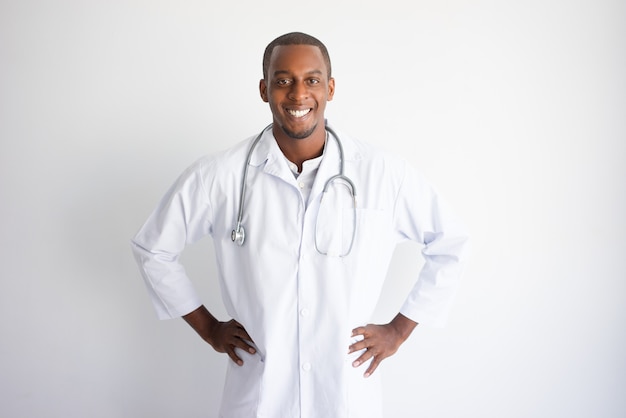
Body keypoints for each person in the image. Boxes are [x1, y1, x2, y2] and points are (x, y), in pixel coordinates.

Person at [131, 32, 469, 418]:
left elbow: (451, 244)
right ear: (264, 89)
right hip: (259, 396)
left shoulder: (383, 173)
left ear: (330, 87)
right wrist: (208, 328)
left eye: (311, 79)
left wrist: (398, 331)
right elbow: (152, 248)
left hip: (345, 397)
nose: (297, 94)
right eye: (282, 80)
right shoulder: (219, 175)